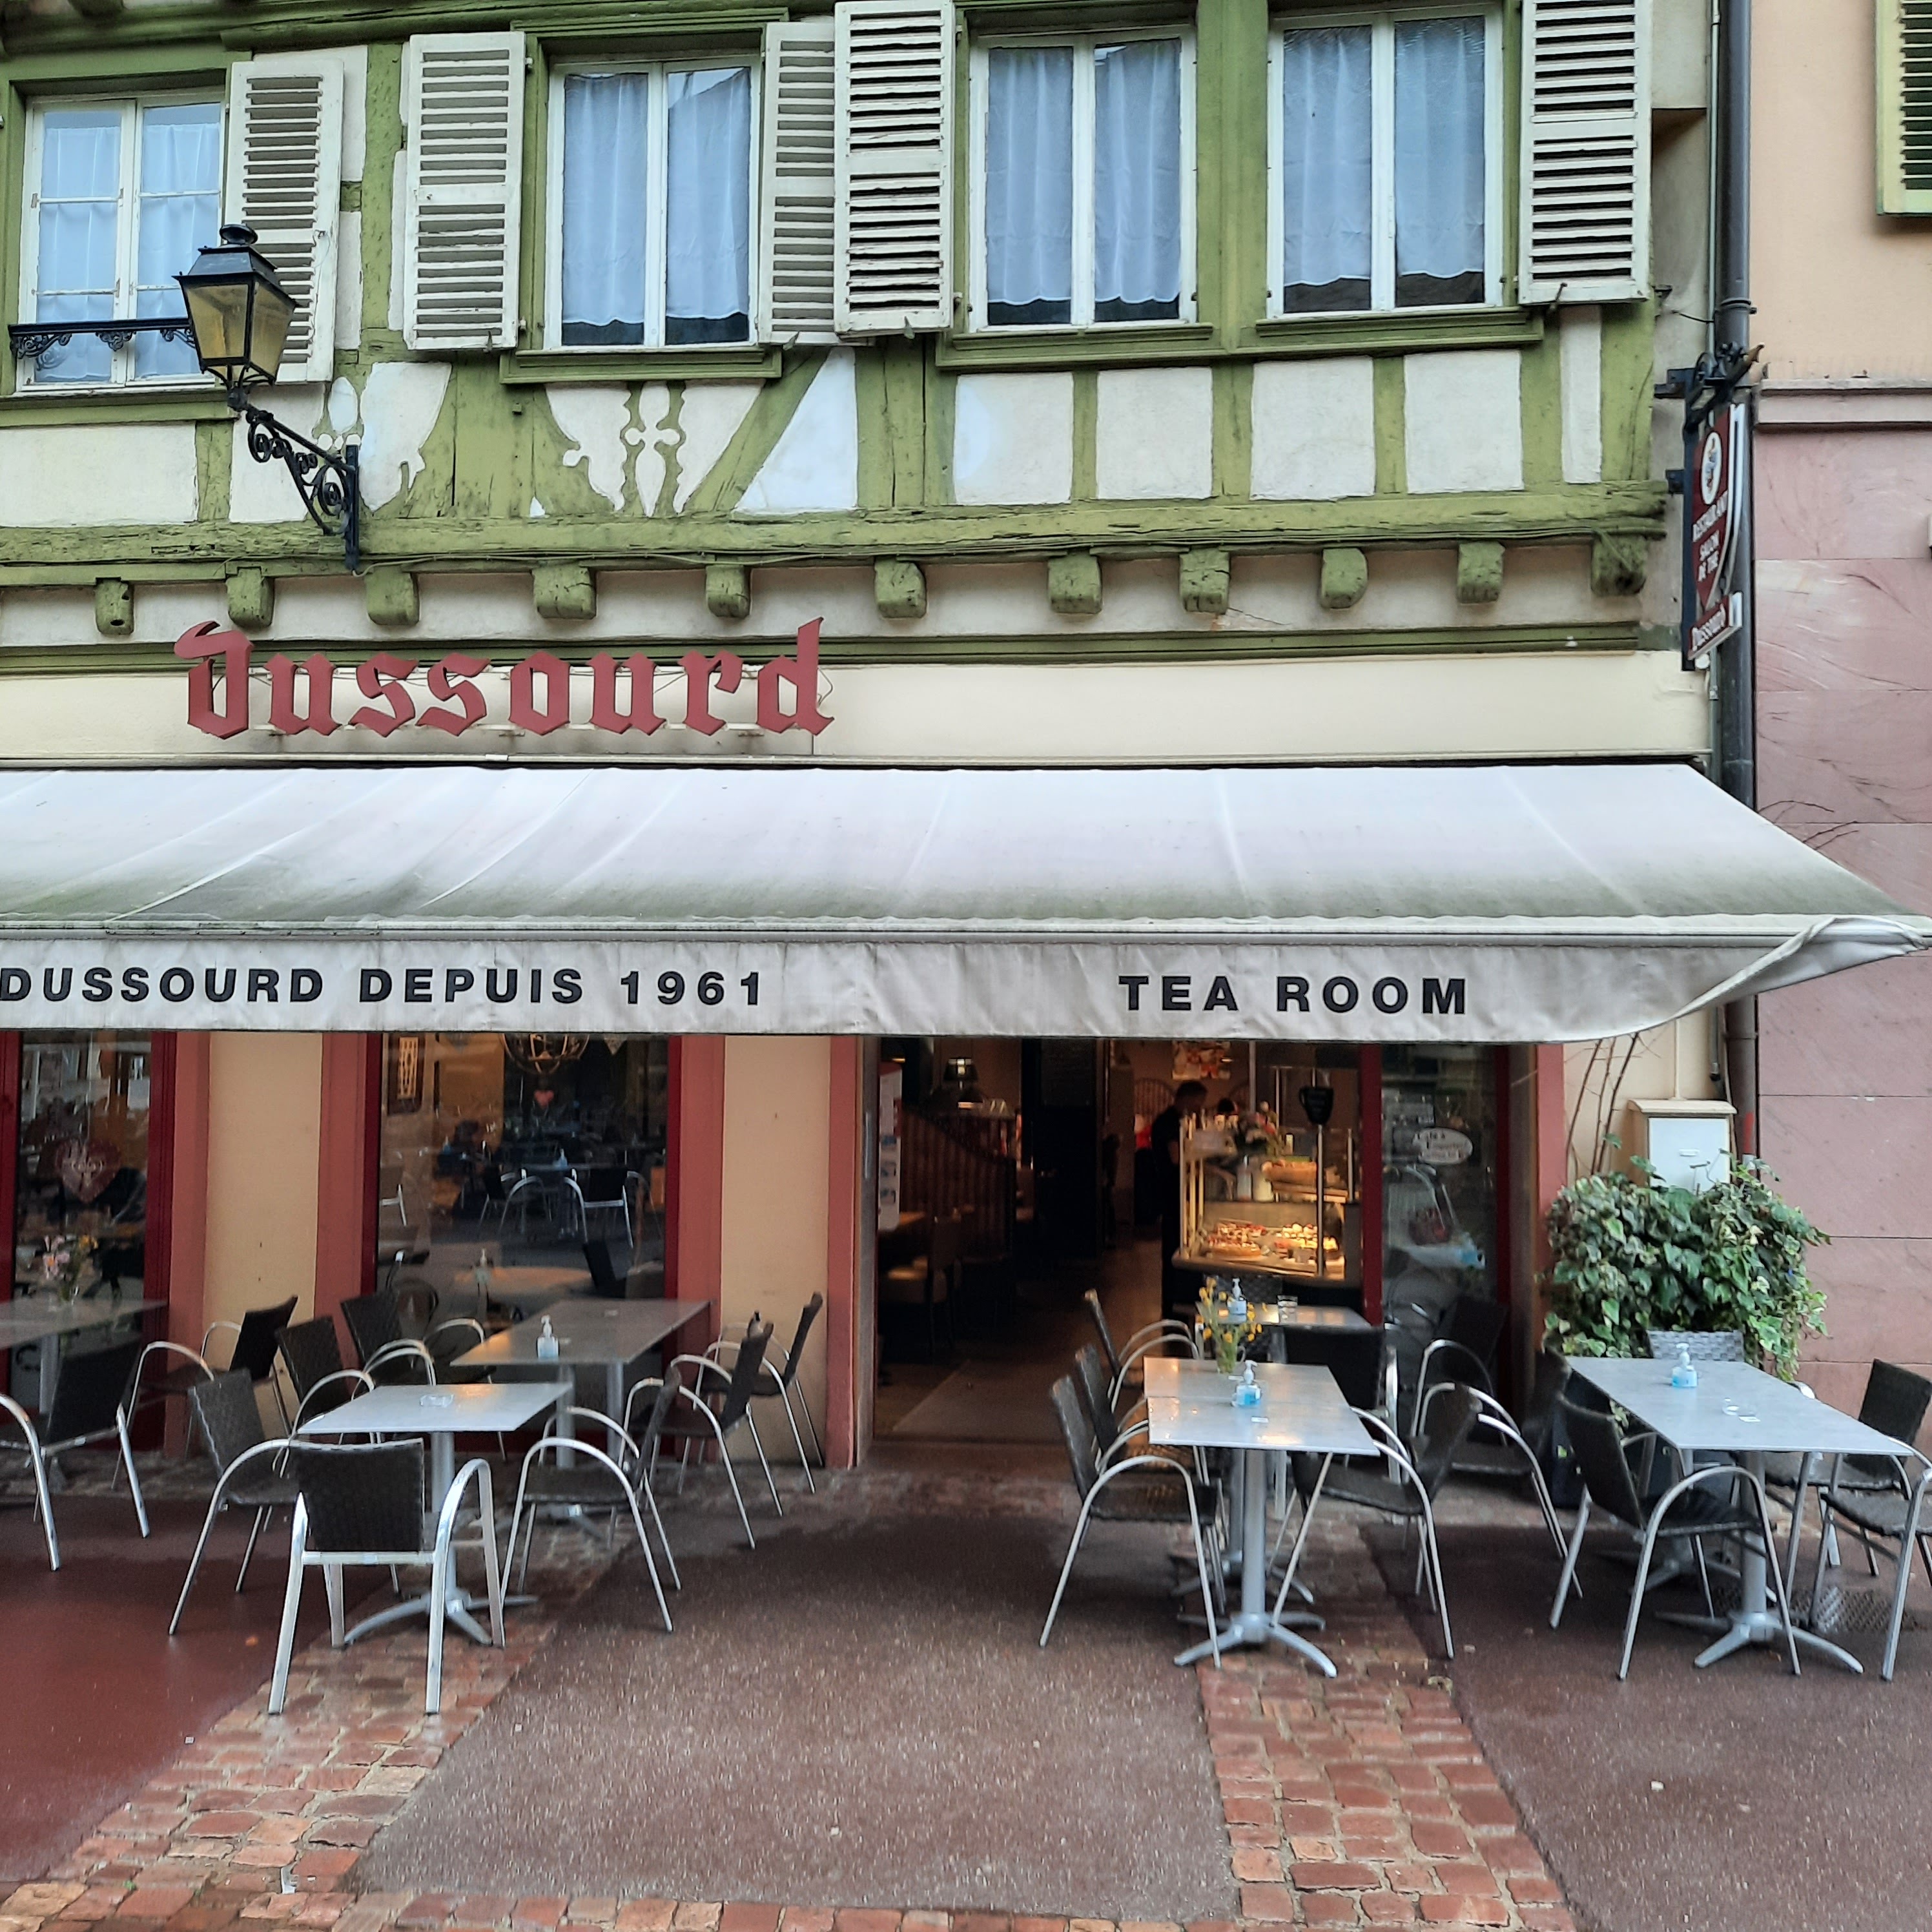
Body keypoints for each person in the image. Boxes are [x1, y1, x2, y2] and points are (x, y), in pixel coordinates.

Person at [1153, 1080, 1208, 1319]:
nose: (1200, 1107)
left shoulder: (1174, 1120)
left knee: (1174, 1248)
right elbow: (1177, 1158)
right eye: (1199, 1102)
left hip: (1176, 1194)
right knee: (1174, 1251)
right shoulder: (1169, 1122)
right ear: (1187, 1098)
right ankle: (1173, 1305)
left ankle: (1175, 1302)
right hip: (1172, 1194)